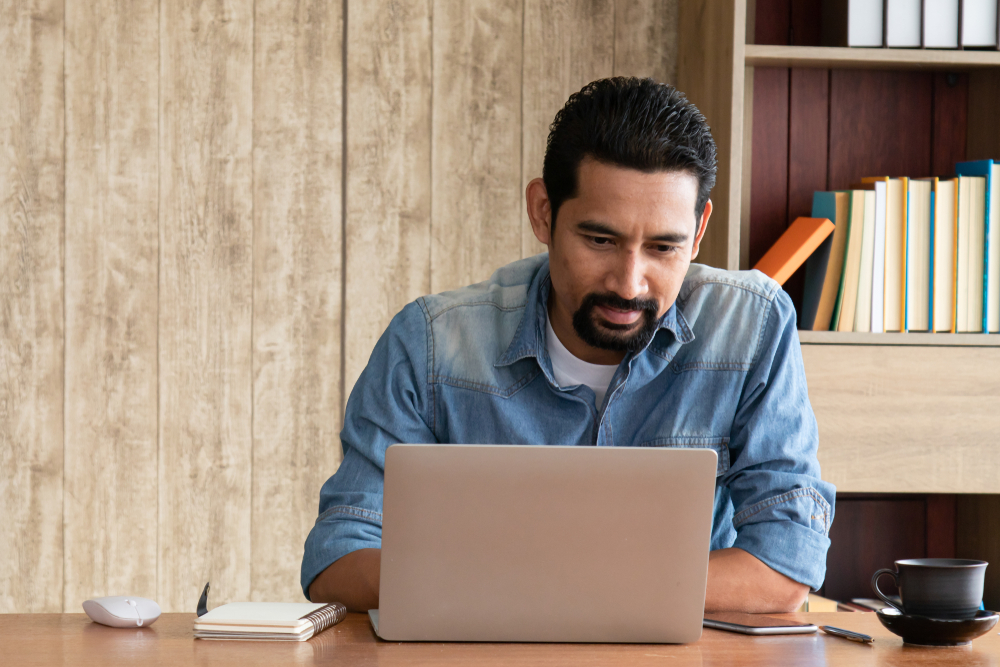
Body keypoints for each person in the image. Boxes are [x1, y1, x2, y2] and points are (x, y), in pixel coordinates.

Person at [302, 77, 835, 614]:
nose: (629, 284)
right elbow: (339, 559)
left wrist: (540, 589)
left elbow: (785, 567)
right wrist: (581, 590)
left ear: (698, 233)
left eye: (663, 247)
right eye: (600, 240)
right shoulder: (433, 344)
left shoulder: (752, 326)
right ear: (542, 212)